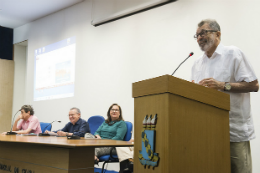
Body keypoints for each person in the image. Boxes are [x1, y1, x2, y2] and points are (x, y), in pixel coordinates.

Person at [191, 19, 259, 173]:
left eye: (203, 33)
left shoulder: (233, 53)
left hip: (234, 130)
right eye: (197, 36)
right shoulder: (196, 64)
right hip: (207, 132)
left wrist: (223, 85)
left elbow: (254, 85)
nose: (199, 38)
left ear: (218, 34)